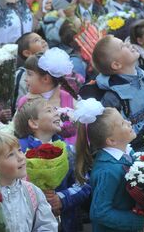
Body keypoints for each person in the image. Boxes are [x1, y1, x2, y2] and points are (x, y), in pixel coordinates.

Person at [73, 101, 144, 231]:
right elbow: (99, 213)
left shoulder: (128, 153)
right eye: (122, 123)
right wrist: (140, 221)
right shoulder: (107, 171)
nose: (129, 122)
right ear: (111, 140)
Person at [14, 98, 91, 232]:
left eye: (55, 109)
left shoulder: (68, 150)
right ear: (33, 123)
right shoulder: (19, 150)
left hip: (66, 223)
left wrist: (61, 198)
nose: (56, 113)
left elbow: (84, 183)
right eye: (49, 111)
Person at [91, 35, 144, 150]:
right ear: (116, 65)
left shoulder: (143, 76)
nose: (128, 44)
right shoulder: (113, 98)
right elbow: (125, 139)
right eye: (122, 46)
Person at [13, 32, 49, 107]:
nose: (43, 41)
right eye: (36, 40)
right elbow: (20, 106)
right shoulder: (21, 75)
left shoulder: (54, 68)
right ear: (27, 53)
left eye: (42, 38)